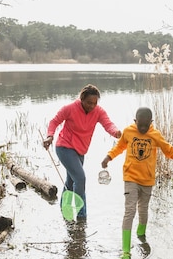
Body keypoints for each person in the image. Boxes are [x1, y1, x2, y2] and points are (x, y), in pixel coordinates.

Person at [101, 107, 173, 259]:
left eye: (146, 125)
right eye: (140, 125)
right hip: (130, 177)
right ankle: (126, 249)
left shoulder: (155, 135)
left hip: (147, 180)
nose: (143, 128)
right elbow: (119, 147)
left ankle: (141, 235)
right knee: (130, 211)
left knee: (143, 210)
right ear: (135, 121)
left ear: (151, 122)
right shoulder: (128, 132)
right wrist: (108, 157)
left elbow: (168, 149)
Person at [43, 84, 121, 219]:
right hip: (64, 147)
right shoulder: (70, 108)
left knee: (71, 181)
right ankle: (81, 215)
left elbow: (108, 124)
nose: (92, 106)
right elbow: (54, 121)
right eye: (89, 103)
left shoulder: (98, 111)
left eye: (95, 103)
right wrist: (50, 136)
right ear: (81, 99)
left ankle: (64, 208)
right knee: (80, 178)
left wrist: (116, 132)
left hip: (80, 150)